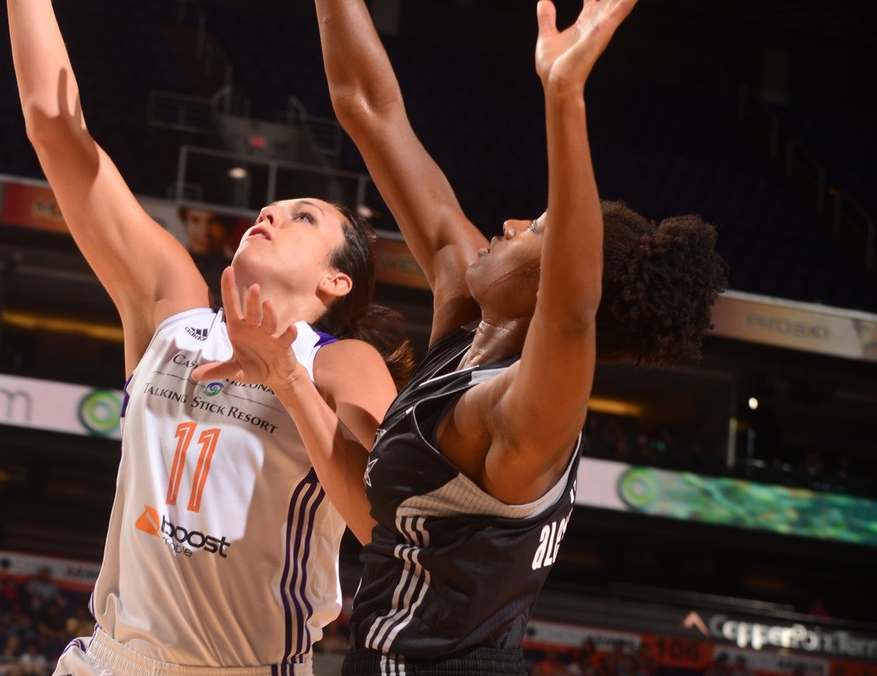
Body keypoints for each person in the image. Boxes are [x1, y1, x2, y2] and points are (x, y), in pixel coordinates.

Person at [194, 0, 728, 673]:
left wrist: (564, 96)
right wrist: (289, 378)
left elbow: (572, 312)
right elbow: (366, 107)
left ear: (550, 279)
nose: (506, 224)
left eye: (532, 231)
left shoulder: (524, 418)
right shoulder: (466, 323)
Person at [8, 0, 411, 672]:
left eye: (303, 217)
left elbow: (385, 525)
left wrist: (287, 380)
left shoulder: (343, 364)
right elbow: (55, 128)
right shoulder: (172, 309)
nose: (270, 213)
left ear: (337, 283)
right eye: (271, 207)